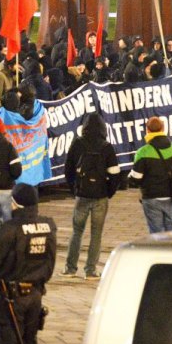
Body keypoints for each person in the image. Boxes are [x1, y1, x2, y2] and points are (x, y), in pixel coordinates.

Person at [0, 184, 56, 344]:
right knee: (29, 341)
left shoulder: (10, 229)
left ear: (15, 203)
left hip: (13, 296)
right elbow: (51, 259)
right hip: (36, 292)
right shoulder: (48, 225)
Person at [60, 113, 120, 279]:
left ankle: (70, 268)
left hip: (82, 194)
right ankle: (91, 270)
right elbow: (115, 174)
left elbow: (68, 169)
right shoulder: (107, 146)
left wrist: (74, 189)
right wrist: (109, 192)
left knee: (76, 231)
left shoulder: (78, 143)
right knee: (96, 233)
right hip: (100, 196)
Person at [128, 116, 172, 233]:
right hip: (171, 195)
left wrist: (130, 180)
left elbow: (136, 178)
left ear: (147, 130)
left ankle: (158, 250)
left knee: (156, 232)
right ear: (163, 128)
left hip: (151, 197)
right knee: (170, 230)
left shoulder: (143, 152)